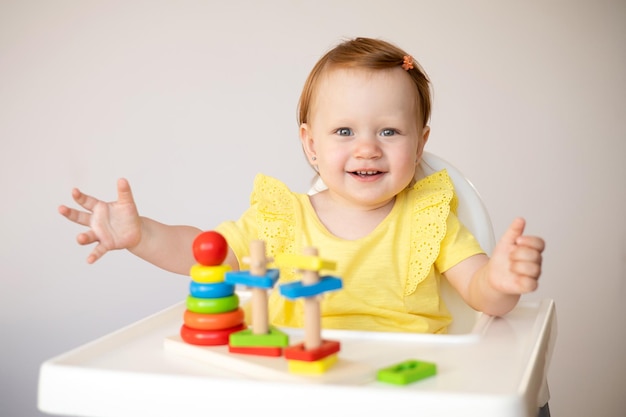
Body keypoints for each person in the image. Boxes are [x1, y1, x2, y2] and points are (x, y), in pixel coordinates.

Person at [58, 37, 545, 334]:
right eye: (344, 131)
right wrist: (142, 234)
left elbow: (481, 294)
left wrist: (501, 282)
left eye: (390, 131)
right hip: (301, 378)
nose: (367, 148)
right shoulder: (280, 220)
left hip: (406, 387)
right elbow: (204, 252)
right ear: (311, 146)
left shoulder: (429, 218)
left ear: (419, 146)